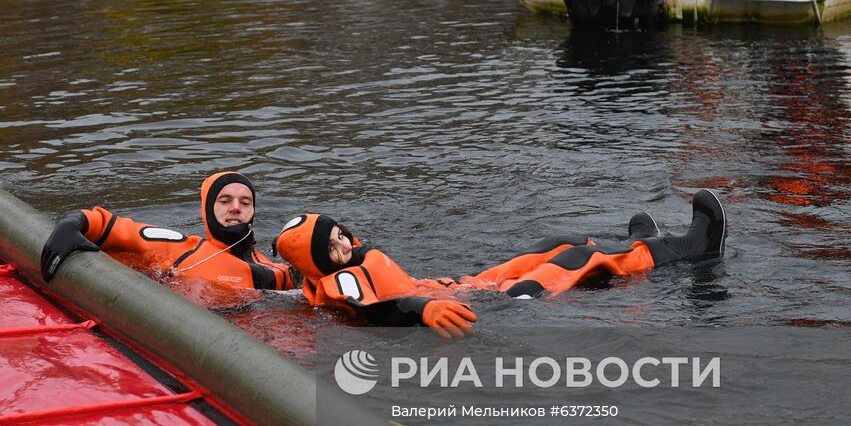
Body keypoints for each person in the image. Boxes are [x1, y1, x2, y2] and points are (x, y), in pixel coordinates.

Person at [274, 191, 727, 337]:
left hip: (465, 287)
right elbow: (374, 311)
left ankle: (637, 243)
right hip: (489, 305)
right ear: (317, 265)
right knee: (574, 260)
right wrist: (422, 310)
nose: (344, 246)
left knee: (556, 242)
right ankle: (688, 250)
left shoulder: (344, 262)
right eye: (330, 249)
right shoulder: (341, 282)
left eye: (341, 235)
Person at [39, 170, 296, 290]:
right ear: (208, 209)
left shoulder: (275, 273)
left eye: (245, 202)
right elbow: (106, 225)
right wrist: (70, 224)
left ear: (253, 211)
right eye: (225, 201)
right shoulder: (180, 249)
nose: (236, 208)